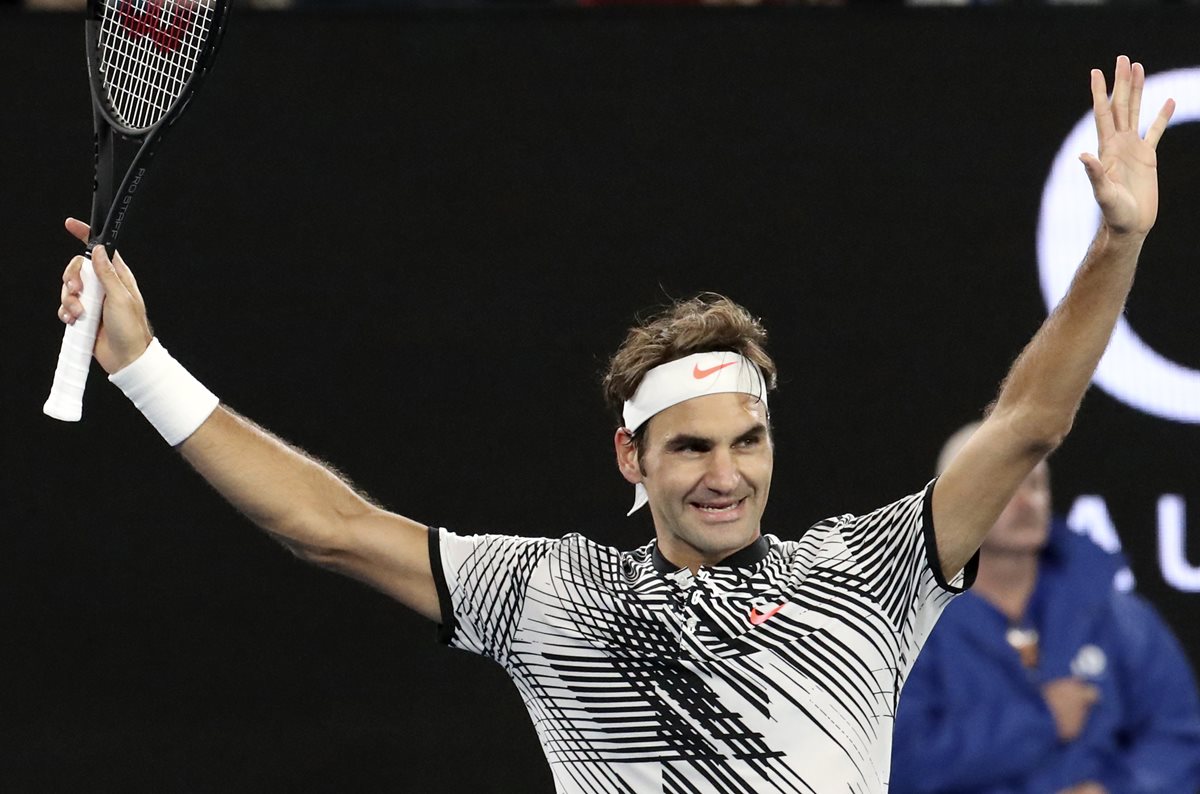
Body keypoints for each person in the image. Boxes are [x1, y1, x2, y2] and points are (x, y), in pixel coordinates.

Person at [53, 56, 1174, 793]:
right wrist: (141, 362)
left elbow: (1029, 420)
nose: (727, 473)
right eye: (690, 445)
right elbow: (329, 526)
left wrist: (1116, 239)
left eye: (748, 438)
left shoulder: (867, 572)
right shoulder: (553, 593)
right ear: (631, 456)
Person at [890, 424, 1200, 794]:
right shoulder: (907, 629)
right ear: (951, 502)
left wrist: (1115, 790)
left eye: (1035, 485)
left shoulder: (1114, 613)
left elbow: (1179, 736)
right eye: (1006, 487)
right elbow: (897, 763)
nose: (1027, 502)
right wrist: (1042, 719)